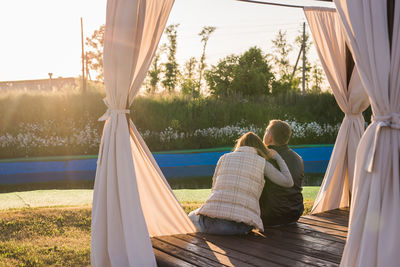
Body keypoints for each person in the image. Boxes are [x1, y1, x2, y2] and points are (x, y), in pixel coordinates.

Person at [189, 132, 293, 235]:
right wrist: (278, 157)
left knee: (191, 216)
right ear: (259, 146)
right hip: (240, 227)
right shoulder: (262, 163)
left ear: (240, 144)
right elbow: (288, 182)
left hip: (210, 223)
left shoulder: (223, 158)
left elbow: (214, 188)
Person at [260, 119, 305, 227]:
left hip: (269, 216)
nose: (264, 133)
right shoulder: (298, 158)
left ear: (270, 137)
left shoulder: (263, 157)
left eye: (266, 131)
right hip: (294, 213)